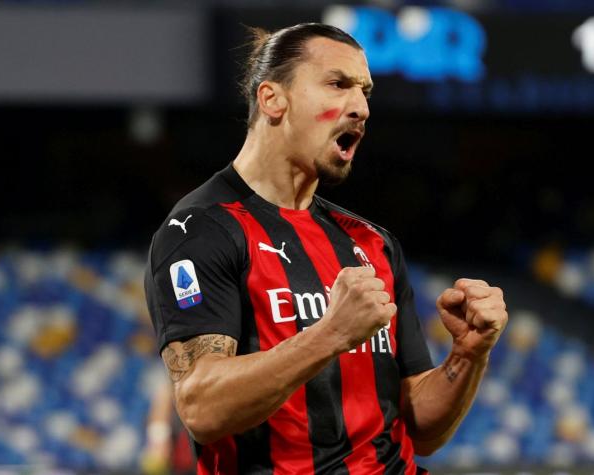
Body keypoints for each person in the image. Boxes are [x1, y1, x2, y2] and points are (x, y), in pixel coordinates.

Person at [144, 23, 508, 474]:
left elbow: (423, 431)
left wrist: (468, 354)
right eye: (338, 84)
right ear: (272, 98)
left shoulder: (372, 243)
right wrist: (332, 332)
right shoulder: (201, 230)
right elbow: (203, 409)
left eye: (365, 92)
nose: (360, 108)